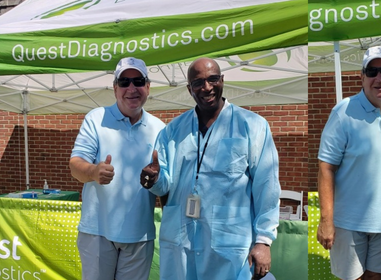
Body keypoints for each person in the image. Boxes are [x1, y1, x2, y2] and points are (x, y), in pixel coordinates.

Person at [139, 57, 281, 280]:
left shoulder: (251, 126)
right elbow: (165, 186)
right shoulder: (173, 131)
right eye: (198, 83)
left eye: (213, 79)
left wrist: (263, 241)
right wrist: (154, 180)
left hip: (229, 244)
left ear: (222, 80)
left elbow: (267, 186)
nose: (207, 87)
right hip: (181, 240)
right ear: (189, 89)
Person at [317, 46, 381, 280]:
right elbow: (326, 167)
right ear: (362, 77)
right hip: (348, 222)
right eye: (372, 72)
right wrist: (326, 220)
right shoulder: (343, 112)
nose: (379, 78)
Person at [69, 57, 165, 280]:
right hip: (97, 232)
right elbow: (75, 165)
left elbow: (165, 182)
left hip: (139, 235)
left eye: (138, 81)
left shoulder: (160, 128)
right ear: (115, 89)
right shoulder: (96, 118)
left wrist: (158, 179)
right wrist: (93, 172)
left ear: (148, 87)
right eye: (124, 82)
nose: (132, 88)